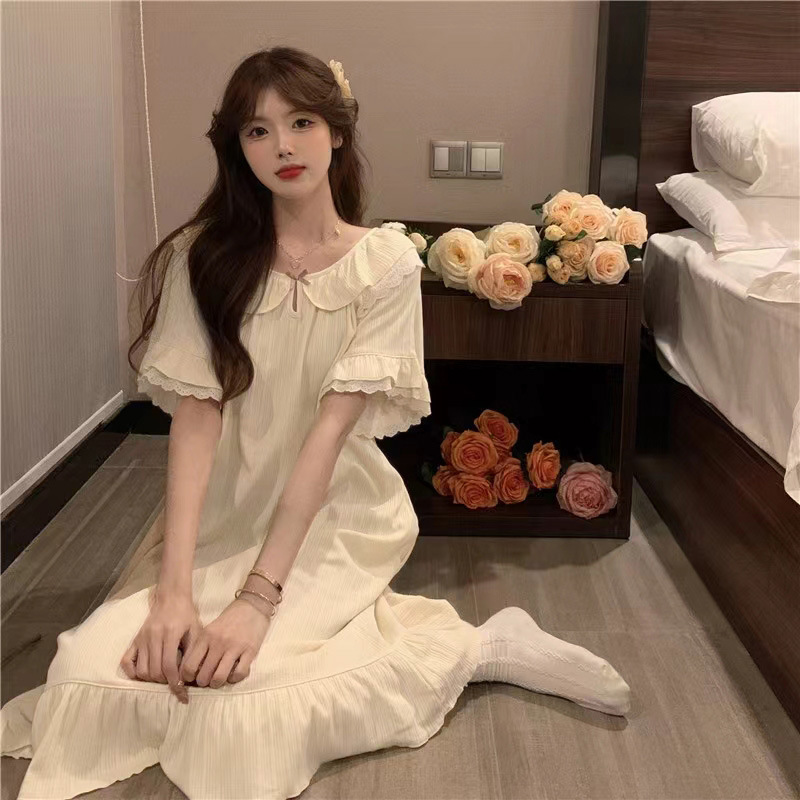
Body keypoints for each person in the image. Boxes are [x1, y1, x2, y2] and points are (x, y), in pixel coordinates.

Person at [0, 46, 631, 800]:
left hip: (334, 517)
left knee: (242, 704)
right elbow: (196, 426)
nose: (283, 146)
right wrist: (173, 590)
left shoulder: (384, 263)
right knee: (87, 676)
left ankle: (481, 648)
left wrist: (257, 599)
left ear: (337, 130)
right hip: (221, 520)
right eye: (257, 130)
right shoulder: (204, 258)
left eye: (300, 122)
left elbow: (328, 439)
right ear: (237, 148)